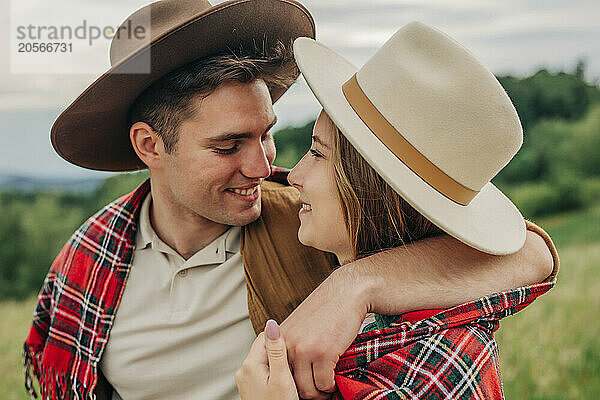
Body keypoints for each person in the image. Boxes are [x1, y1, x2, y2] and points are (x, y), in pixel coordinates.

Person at [23, 2, 555, 399]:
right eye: (228, 146)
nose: (264, 168)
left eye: (266, 135)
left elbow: (526, 255)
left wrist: (356, 284)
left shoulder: (315, 225)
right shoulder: (88, 258)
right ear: (149, 145)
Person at [235, 22, 559, 399]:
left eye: (319, 152)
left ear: (373, 192)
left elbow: (534, 254)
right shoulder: (390, 332)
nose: (295, 175)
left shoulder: (437, 368)